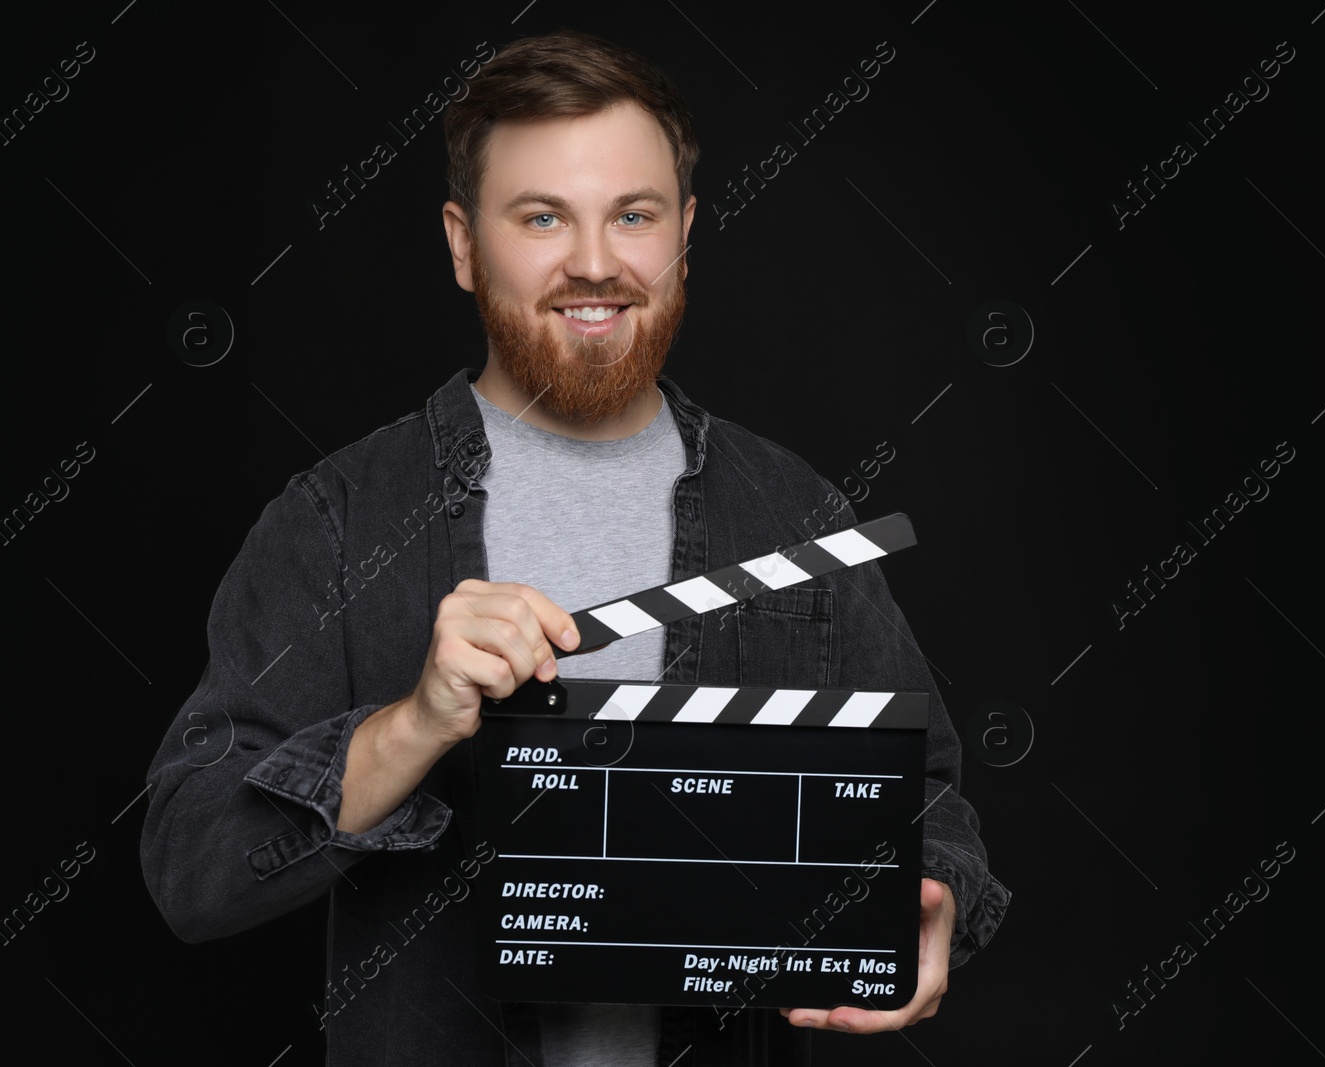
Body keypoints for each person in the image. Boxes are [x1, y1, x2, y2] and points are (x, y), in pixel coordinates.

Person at [141, 29, 1009, 1066]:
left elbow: (930, 792)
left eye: (632, 215)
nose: (594, 262)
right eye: (542, 216)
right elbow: (193, 865)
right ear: (463, 243)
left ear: (684, 233)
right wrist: (414, 724)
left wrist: (936, 890)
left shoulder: (795, 518)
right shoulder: (338, 521)